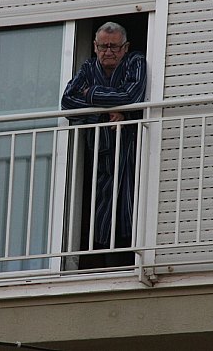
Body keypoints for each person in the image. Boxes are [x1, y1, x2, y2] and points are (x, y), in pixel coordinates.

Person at [61, 22, 146, 268]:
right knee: (100, 213)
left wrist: (90, 96)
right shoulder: (89, 66)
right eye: (103, 47)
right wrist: (107, 111)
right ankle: (102, 265)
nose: (108, 52)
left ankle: (129, 264)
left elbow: (132, 96)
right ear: (95, 47)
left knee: (129, 208)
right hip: (98, 153)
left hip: (130, 150)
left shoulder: (135, 61)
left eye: (114, 47)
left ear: (125, 47)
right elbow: (67, 102)